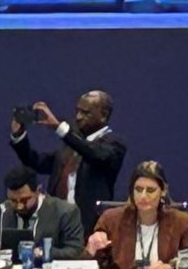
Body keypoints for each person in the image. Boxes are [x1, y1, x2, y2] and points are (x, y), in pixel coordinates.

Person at [9, 90, 126, 233]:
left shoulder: (114, 145)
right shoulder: (70, 147)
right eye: (77, 111)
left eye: (86, 113)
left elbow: (94, 155)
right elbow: (37, 162)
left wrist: (59, 128)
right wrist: (19, 137)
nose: (78, 117)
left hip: (89, 226)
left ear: (103, 115)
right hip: (57, 223)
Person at [84, 161, 188, 269]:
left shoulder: (182, 222)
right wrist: (91, 249)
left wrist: (168, 267)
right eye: (138, 189)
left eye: (150, 190)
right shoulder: (111, 220)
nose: (143, 196)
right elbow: (90, 266)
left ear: (163, 191)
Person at [2, 165, 85, 260]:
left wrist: (42, 252)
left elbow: (75, 251)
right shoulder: (4, 212)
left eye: (24, 200)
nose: (19, 206)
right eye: (13, 201)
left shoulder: (65, 212)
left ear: (38, 191)